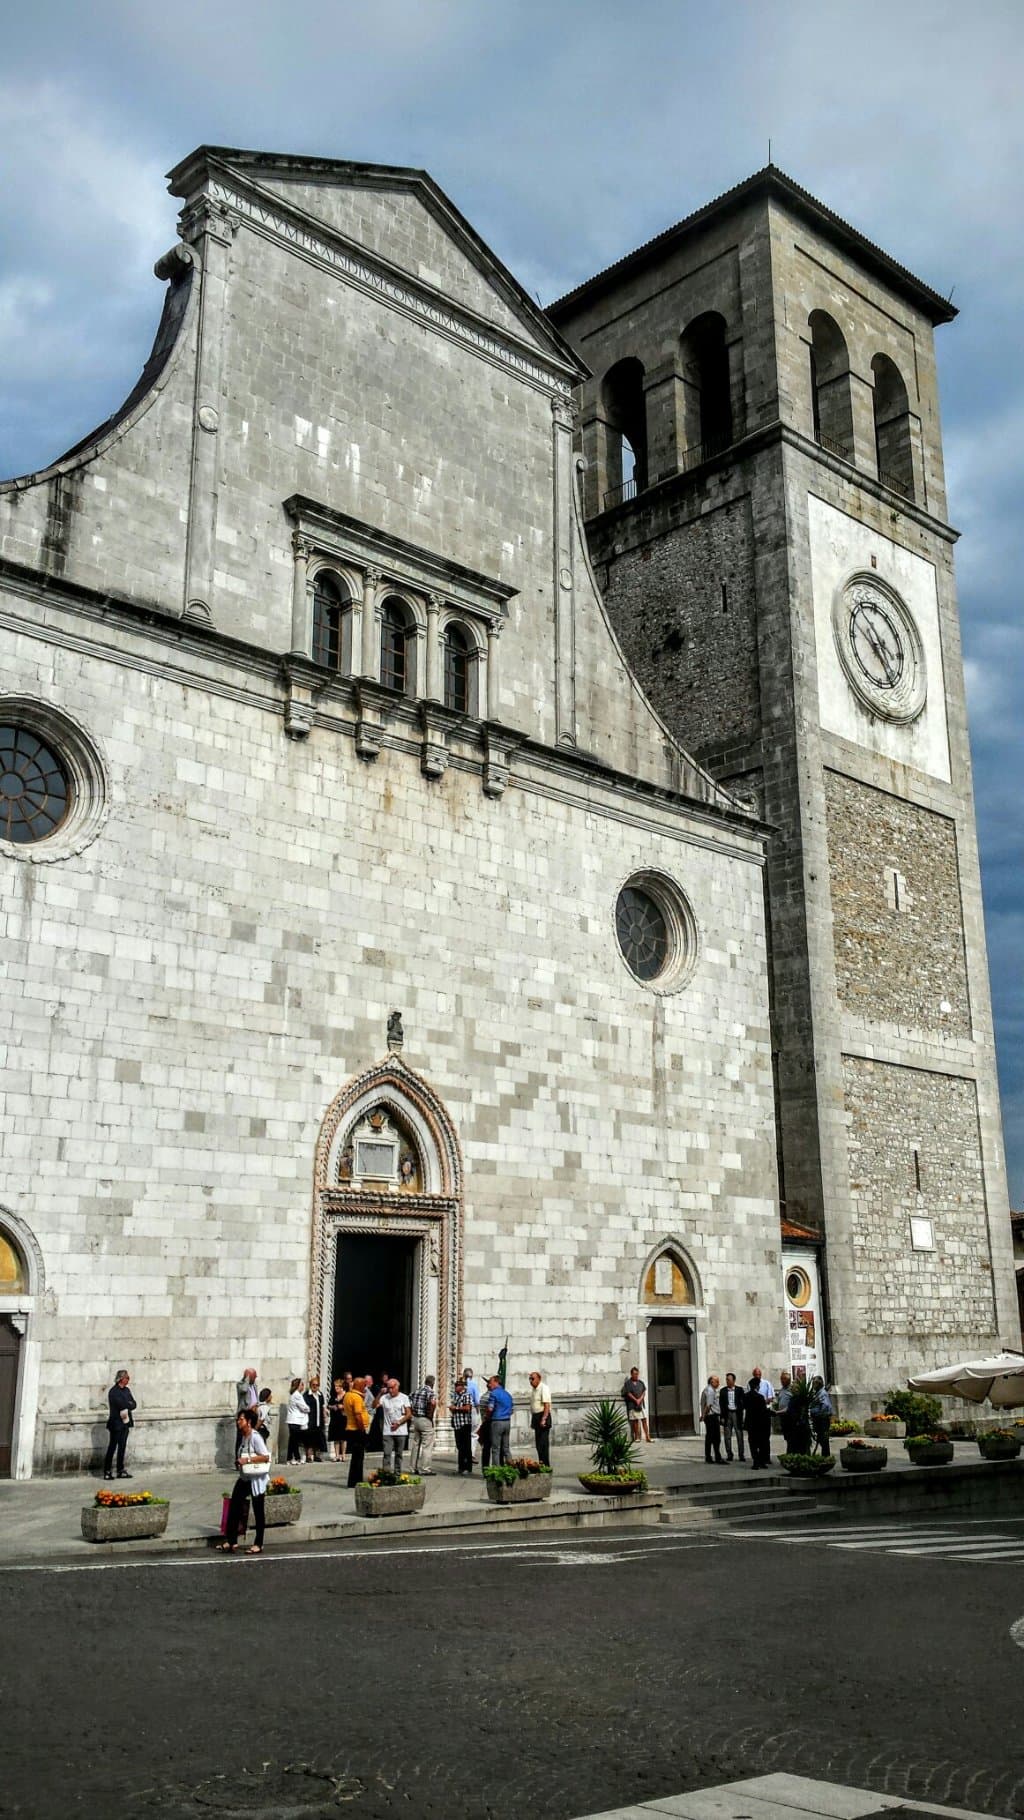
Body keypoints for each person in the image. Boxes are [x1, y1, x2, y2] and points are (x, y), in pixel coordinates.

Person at [219, 1409, 269, 1554]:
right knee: (234, 1506)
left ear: (248, 1422)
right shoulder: (244, 1436)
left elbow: (265, 1456)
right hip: (245, 1477)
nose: (238, 1422)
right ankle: (232, 1540)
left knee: (258, 1510)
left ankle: (259, 1543)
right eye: (238, 1419)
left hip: (256, 1479)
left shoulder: (255, 1437)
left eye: (241, 1419)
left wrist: (246, 1460)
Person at [103, 1369, 137, 1479]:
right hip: (116, 1423)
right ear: (121, 1379)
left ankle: (120, 1470)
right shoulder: (114, 1391)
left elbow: (134, 1404)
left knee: (122, 1446)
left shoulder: (127, 1390)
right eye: (127, 1378)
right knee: (112, 1447)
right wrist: (128, 1404)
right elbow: (121, 1404)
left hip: (126, 1423)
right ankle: (107, 1471)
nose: (128, 1380)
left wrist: (128, 1404)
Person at [378, 1378, 413, 1472]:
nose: (390, 1390)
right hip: (387, 1431)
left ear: (397, 1387)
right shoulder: (384, 1397)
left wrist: (399, 1423)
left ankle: (397, 1474)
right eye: (388, 1388)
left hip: (401, 1431)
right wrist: (380, 1394)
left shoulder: (404, 1397)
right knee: (387, 1453)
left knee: (399, 1454)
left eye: (392, 1388)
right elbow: (374, 1405)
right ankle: (386, 1474)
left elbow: (409, 1414)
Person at [344, 1376, 371, 1487]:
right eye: (364, 1385)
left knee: (356, 1456)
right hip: (357, 1429)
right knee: (358, 1457)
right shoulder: (356, 1398)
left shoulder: (348, 1395)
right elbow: (358, 1415)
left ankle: (353, 1480)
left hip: (350, 1428)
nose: (365, 1388)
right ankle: (356, 1481)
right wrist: (362, 1430)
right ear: (359, 1385)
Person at [409, 1375, 438, 1474]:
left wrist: (413, 1411)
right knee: (427, 1445)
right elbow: (433, 1403)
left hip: (416, 1419)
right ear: (433, 1383)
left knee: (416, 1443)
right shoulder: (430, 1392)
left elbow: (409, 1399)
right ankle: (425, 1468)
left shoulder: (417, 1391)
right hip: (425, 1419)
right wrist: (430, 1416)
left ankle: (413, 1468)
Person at [485, 1374, 514, 1467]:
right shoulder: (507, 1394)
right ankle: (511, 1466)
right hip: (507, 1421)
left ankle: (496, 1469)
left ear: (496, 1382)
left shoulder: (493, 1394)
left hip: (497, 1421)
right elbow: (512, 1409)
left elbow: (490, 1408)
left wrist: (487, 1417)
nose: (489, 1384)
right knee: (506, 1448)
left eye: (491, 1382)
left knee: (495, 1448)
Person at [744, 1375, 771, 1469]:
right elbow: (763, 1411)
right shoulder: (760, 1397)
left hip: (751, 1423)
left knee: (752, 1443)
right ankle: (761, 1461)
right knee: (762, 1442)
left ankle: (756, 1461)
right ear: (757, 1386)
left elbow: (744, 1408)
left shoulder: (746, 1396)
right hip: (760, 1423)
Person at [450, 1377, 474, 1475]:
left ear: (462, 1387)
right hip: (457, 1424)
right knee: (460, 1446)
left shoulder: (466, 1395)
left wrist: (455, 1408)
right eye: (455, 1385)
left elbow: (467, 1408)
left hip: (464, 1424)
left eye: (457, 1385)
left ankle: (468, 1467)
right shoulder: (456, 1396)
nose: (455, 1387)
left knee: (466, 1446)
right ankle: (460, 1467)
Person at [719, 1373, 745, 1462]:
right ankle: (729, 1454)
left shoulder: (739, 1390)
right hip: (727, 1414)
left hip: (736, 1414)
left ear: (733, 1381)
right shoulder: (723, 1391)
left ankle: (741, 1454)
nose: (727, 1381)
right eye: (726, 1380)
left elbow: (743, 1402)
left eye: (729, 1380)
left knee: (739, 1435)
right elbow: (721, 1405)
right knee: (727, 1435)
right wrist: (722, 1417)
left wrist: (741, 1414)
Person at [528, 1371, 552, 1467]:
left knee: (543, 1444)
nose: (531, 1381)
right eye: (530, 1379)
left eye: (532, 1378)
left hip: (543, 1415)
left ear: (539, 1378)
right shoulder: (534, 1390)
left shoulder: (543, 1388)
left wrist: (544, 1419)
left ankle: (546, 1465)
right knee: (538, 1444)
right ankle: (541, 1462)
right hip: (536, 1416)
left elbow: (547, 1404)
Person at [622, 1367, 651, 1442]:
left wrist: (640, 1399)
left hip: (640, 1405)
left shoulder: (640, 1382)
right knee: (635, 1421)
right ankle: (637, 1437)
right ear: (631, 1374)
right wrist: (635, 1400)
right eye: (635, 1374)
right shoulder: (628, 1383)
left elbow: (644, 1392)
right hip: (632, 1405)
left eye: (637, 1374)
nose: (636, 1375)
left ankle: (647, 1436)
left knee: (644, 1420)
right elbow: (628, 1393)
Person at [700, 1375, 723, 1463]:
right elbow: (708, 1405)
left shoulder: (708, 1390)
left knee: (710, 1437)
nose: (718, 1383)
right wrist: (704, 1416)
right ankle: (716, 1457)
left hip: (710, 1416)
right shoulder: (710, 1391)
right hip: (711, 1416)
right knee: (715, 1438)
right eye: (717, 1381)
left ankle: (709, 1456)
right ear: (712, 1382)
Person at [304, 1376, 327, 1461]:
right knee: (309, 1438)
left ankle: (317, 1455)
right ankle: (309, 1456)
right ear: (310, 1385)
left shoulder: (320, 1395)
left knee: (318, 1437)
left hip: (319, 1419)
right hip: (310, 1419)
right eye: (313, 1385)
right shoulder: (306, 1395)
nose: (315, 1387)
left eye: (317, 1385)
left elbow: (323, 1407)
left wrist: (324, 1417)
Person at [285, 1377, 308, 1464]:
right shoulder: (297, 1395)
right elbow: (304, 1407)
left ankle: (290, 1458)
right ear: (298, 1386)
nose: (303, 1386)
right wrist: (308, 1409)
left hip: (293, 1420)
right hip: (295, 1420)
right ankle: (295, 1457)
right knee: (294, 1440)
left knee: (293, 1440)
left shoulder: (294, 1395)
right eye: (302, 1384)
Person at [327, 1376, 349, 1462]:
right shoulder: (334, 1396)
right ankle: (337, 1455)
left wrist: (342, 1406)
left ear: (342, 1387)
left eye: (338, 1387)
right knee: (336, 1438)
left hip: (343, 1418)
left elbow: (349, 1406)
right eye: (335, 1387)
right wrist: (333, 1407)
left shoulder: (346, 1395)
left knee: (343, 1438)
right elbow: (329, 1405)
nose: (336, 1388)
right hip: (335, 1418)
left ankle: (343, 1455)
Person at [810, 1376, 833, 1456]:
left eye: (814, 1384)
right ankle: (825, 1455)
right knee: (821, 1438)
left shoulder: (822, 1393)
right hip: (820, 1419)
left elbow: (825, 1406)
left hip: (822, 1420)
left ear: (818, 1384)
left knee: (824, 1439)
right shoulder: (818, 1393)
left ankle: (826, 1456)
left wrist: (818, 1414)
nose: (813, 1385)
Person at [775, 1369, 794, 1451]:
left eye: (784, 1379)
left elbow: (790, 1405)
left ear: (789, 1380)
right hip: (782, 1417)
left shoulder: (792, 1390)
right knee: (786, 1437)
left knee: (790, 1437)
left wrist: (778, 1411)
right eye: (781, 1379)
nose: (782, 1381)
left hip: (789, 1417)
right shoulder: (782, 1390)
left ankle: (790, 1452)